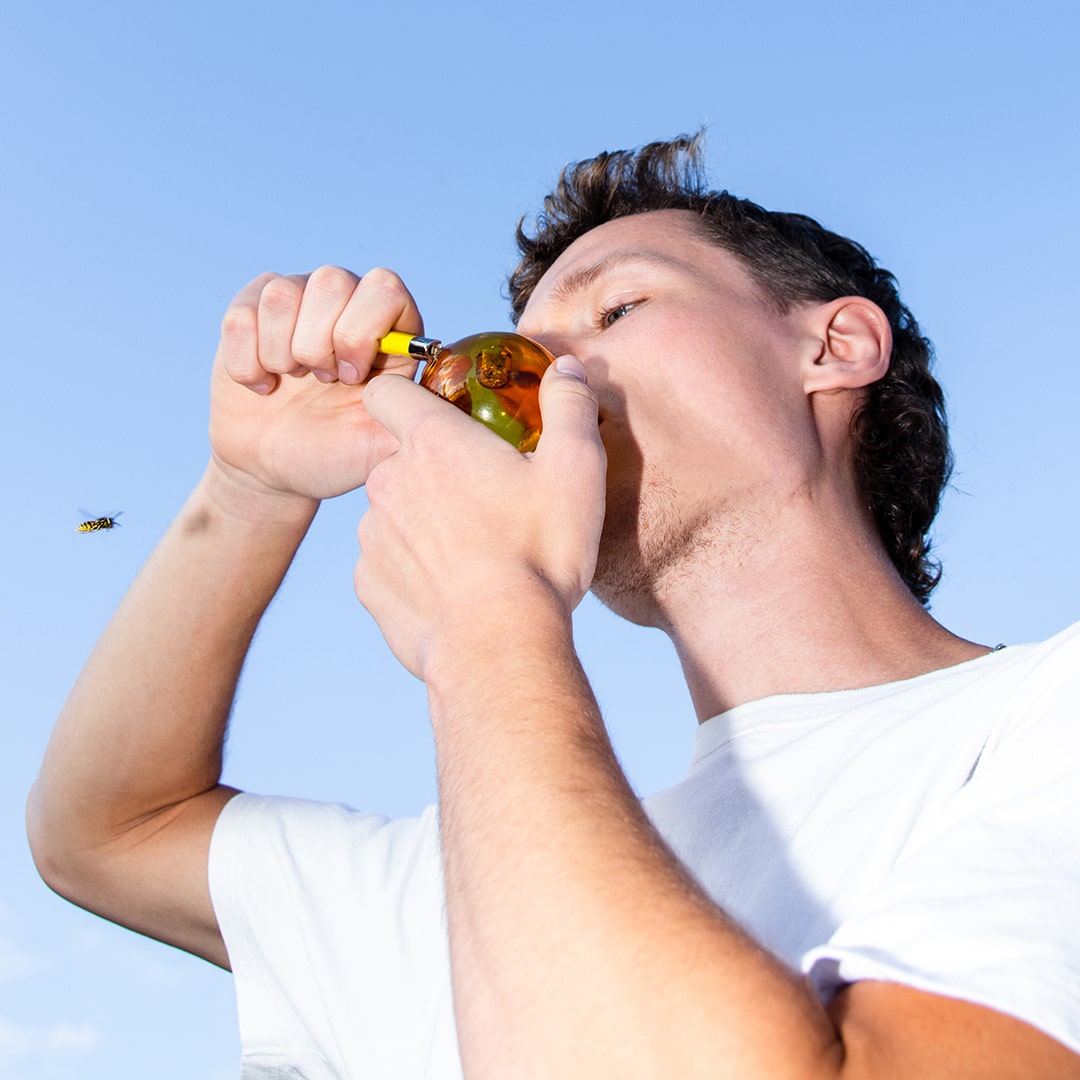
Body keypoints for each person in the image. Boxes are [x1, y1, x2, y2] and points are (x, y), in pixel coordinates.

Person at [27, 134, 1080, 1079]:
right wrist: (251, 490)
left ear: (834, 345)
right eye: (522, 347)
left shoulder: (1044, 724)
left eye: (618, 309)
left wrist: (488, 618)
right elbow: (107, 832)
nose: (536, 373)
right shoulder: (481, 862)